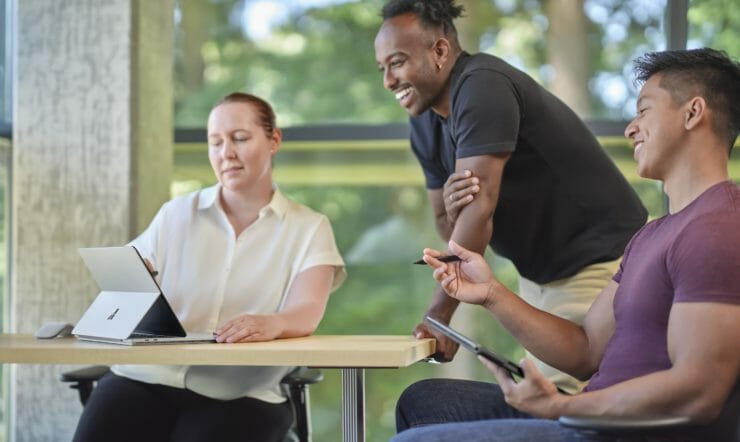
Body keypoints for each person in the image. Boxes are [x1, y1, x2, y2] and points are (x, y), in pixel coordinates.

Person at [392, 48, 740, 441]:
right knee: (425, 403)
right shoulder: (653, 234)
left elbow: (699, 392)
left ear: (693, 113)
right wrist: (491, 293)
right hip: (589, 419)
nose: (631, 128)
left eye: (643, 111)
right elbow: (585, 351)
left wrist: (562, 407)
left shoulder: (718, 229)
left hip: (620, 433)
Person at [374, 0, 647, 392]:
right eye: (383, 68)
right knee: (537, 400)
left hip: (600, 266)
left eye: (397, 62)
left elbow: (478, 212)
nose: (388, 80)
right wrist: (457, 211)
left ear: (439, 51)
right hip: (538, 277)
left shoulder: (482, 84)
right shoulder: (424, 124)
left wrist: (438, 316)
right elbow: (448, 224)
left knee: (557, 410)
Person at [72, 92, 346, 442]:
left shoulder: (309, 227)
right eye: (215, 143)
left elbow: (307, 309)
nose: (226, 153)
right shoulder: (175, 215)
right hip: (145, 377)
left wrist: (271, 323)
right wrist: (136, 278)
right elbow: (124, 287)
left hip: (241, 391)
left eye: (240, 139)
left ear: (273, 140)